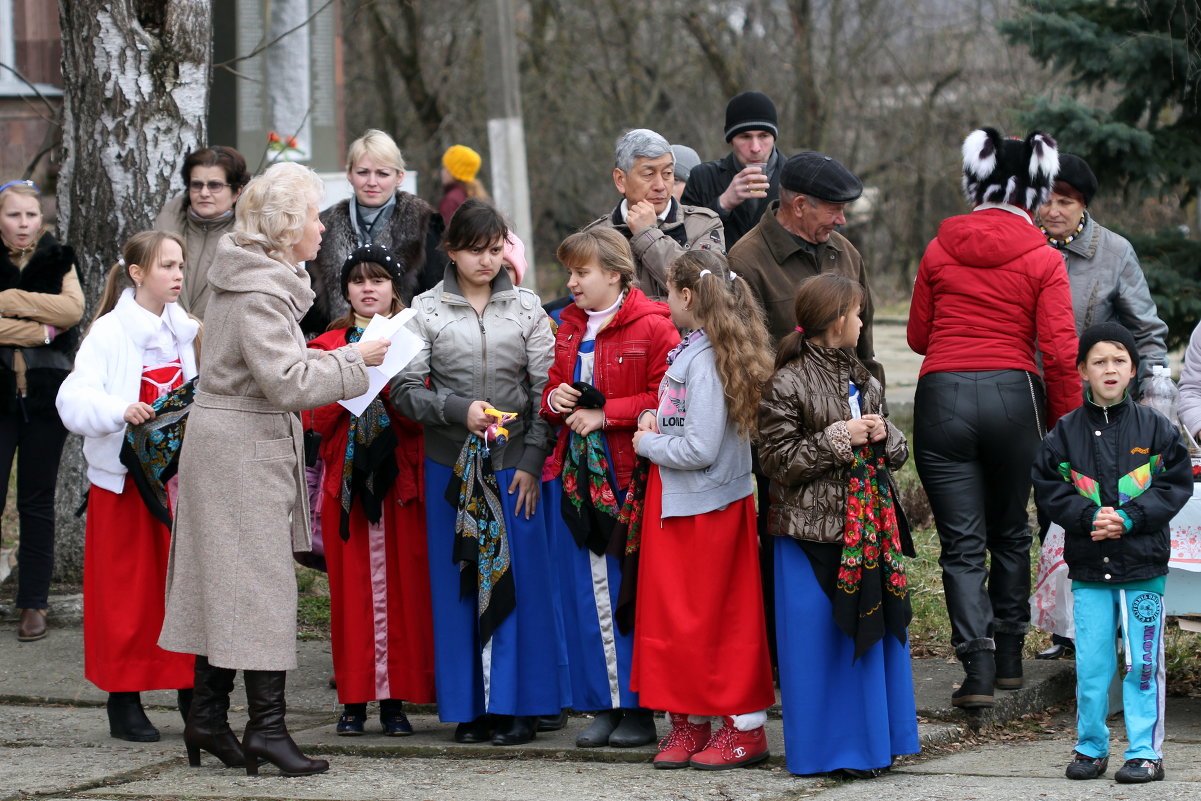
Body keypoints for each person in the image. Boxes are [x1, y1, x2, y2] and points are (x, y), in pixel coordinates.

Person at [158, 161, 389, 777]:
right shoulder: (262, 290)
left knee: (229, 586)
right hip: (240, 449)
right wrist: (355, 358)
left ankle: (208, 719)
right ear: (288, 228)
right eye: (313, 217)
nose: (321, 227)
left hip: (234, 443)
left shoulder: (254, 279)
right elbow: (286, 381)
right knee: (257, 588)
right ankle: (266, 729)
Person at [908, 127, 1080, 709]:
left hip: (942, 397)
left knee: (960, 546)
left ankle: (975, 671)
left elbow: (917, 337)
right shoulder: (1042, 257)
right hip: (1014, 397)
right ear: (1034, 190)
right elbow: (1058, 353)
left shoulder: (936, 249)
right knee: (1010, 531)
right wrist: (1067, 429)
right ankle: (1010, 660)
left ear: (975, 184)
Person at [392, 198, 565, 747]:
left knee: (522, 587)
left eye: (494, 250)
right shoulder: (424, 311)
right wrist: (456, 410)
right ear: (450, 251)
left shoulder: (529, 310)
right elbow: (404, 390)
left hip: (516, 468)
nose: (486, 261)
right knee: (460, 586)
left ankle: (521, 706)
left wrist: (533, 464)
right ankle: (471, 708)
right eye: (474, 251)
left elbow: (546, 396)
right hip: (452, 468)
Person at [758, 273, 918, 778]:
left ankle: (876, 746)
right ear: (835, 321)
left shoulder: (867, 377)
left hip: (866, 532)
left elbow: (897, 454)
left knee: (874, 634)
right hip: (807, 538)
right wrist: (837, 437)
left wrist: (884, 433)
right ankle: (827, 752)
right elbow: (776, 461)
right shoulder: (786, 381)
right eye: (857, 312)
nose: (863, 320)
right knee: (819, 647)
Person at [629, 249, 775, 770]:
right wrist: (653, 416)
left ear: (688, 297)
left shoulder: (709, 360)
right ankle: (689, 723)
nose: (664, 300)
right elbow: (683, 422)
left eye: (667, 291)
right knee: (676, 620)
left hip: (705, 510)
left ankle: (743, 728)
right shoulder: (695, 350)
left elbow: (700, 448)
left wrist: (643, 443)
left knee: (720, 619)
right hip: (681, 507)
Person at [1032, 322, 1191, 785]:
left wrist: (1129, 517)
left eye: (1119, 360)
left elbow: (1173, 483)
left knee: (1143, 663)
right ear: (1082, 369)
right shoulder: (1064, 433)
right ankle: (1091, 746)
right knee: (1093, 661)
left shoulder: (1157, 429)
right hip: (1089, 568)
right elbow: (1049, 488)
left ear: (1134, 370)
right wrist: (1088, 518)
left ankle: (1145, 751)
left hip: (1142, 569)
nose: (1109, 369)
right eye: (1099, 360)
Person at [55, 230, 198, 742]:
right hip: (124, 486)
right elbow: (72, 401)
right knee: (126, 596)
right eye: (166, 266)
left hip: (179, 485)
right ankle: (124, 699)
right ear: (137, 273)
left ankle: (192, 693)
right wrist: (120, 410)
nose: (177, 275)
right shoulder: (110, 333)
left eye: (181, 265)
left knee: (183, 591)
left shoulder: (189, 331)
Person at [541, 227, 679, 748]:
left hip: (625, 480)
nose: (572, 283)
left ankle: (639, 709)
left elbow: (665, 398)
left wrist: (606, 416)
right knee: (585, 593)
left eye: (582, 273)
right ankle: (602, 703)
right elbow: (553, 385)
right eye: (570, 273)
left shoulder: (653, 326)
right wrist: (553, 400)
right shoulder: (568, 326)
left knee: (626, 592)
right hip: (575, 479)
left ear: (616, 275)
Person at [303, 244, 435, 737]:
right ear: (345, 291)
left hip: (400, 481)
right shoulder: (327, 344)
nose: (368, 288)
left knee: (403, 590)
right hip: (348, 486)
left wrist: (391, 385)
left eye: (378, 280)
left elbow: (421, 410)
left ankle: (396, 702)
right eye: (358, 281)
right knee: (351, 593)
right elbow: (312, 413)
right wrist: (354, 371)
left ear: (394, 288)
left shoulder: (414, 339)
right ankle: (354, 699)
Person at [0, 179, 84, 643]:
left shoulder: (58, 257)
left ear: (41, 218)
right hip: (0, 398)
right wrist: (40, 329)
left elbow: (71, 310)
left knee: (36, 500)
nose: (23, 223)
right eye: (14, 215)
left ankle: (33, 602)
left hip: (46, 396)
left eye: (31, 215)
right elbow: (53, 321)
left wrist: (10, 303)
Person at [729, 151, 883, 381]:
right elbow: (744, 361)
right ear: (799, 206)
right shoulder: (746, 261)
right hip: (785, 411)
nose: (842, 220)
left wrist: (877, 408)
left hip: (851, 410)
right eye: (834, 210)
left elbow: (865, 349)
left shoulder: (846, 252)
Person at [1037, 154, 1168, 387]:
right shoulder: (1022, 248)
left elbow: (1146, 332)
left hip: (1094, 400)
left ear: (1083, 203)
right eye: (1046, 201)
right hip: (1032, 396)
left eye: (1065, 202)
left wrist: (1152, 390)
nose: (1052, 212)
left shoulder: (1115, 252)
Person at [302, 129, 447, 334]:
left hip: (409, 351)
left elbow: (436, 295)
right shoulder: (324, 225)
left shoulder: (425, 223)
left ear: (399, 177)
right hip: (338, 353)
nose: (372, 182)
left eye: (382, 173)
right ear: (349, 174)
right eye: (363, 172)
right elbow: (311, 304)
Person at [583, 129, 723, 301]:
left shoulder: (704, 224)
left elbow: (709, 293)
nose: (660, 186)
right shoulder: (596, 236)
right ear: (620, 180)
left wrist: (647, 235)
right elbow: (591, 306)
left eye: (668, 174)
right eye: (648, 174)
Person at [154, 146, 252, 319]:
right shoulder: (165, 226)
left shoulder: (250, 236)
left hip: (220, 340)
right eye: (197, 185)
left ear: (237, 192)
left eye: (215, 185)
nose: (204, 193)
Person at [681, 91, 782, 247]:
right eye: (745, 137)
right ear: (731, 140)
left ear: (774, 138)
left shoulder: (798, 179)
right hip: (718, 270)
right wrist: (723, 204)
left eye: (763, 136)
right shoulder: (703, 177)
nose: (755, 148)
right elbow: (683, 239)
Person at [439, 145, 488, 225]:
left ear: (452, 172)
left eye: (445, 167)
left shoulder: (451, 200)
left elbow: (443, 233)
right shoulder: (477, 196)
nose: (442, 172)